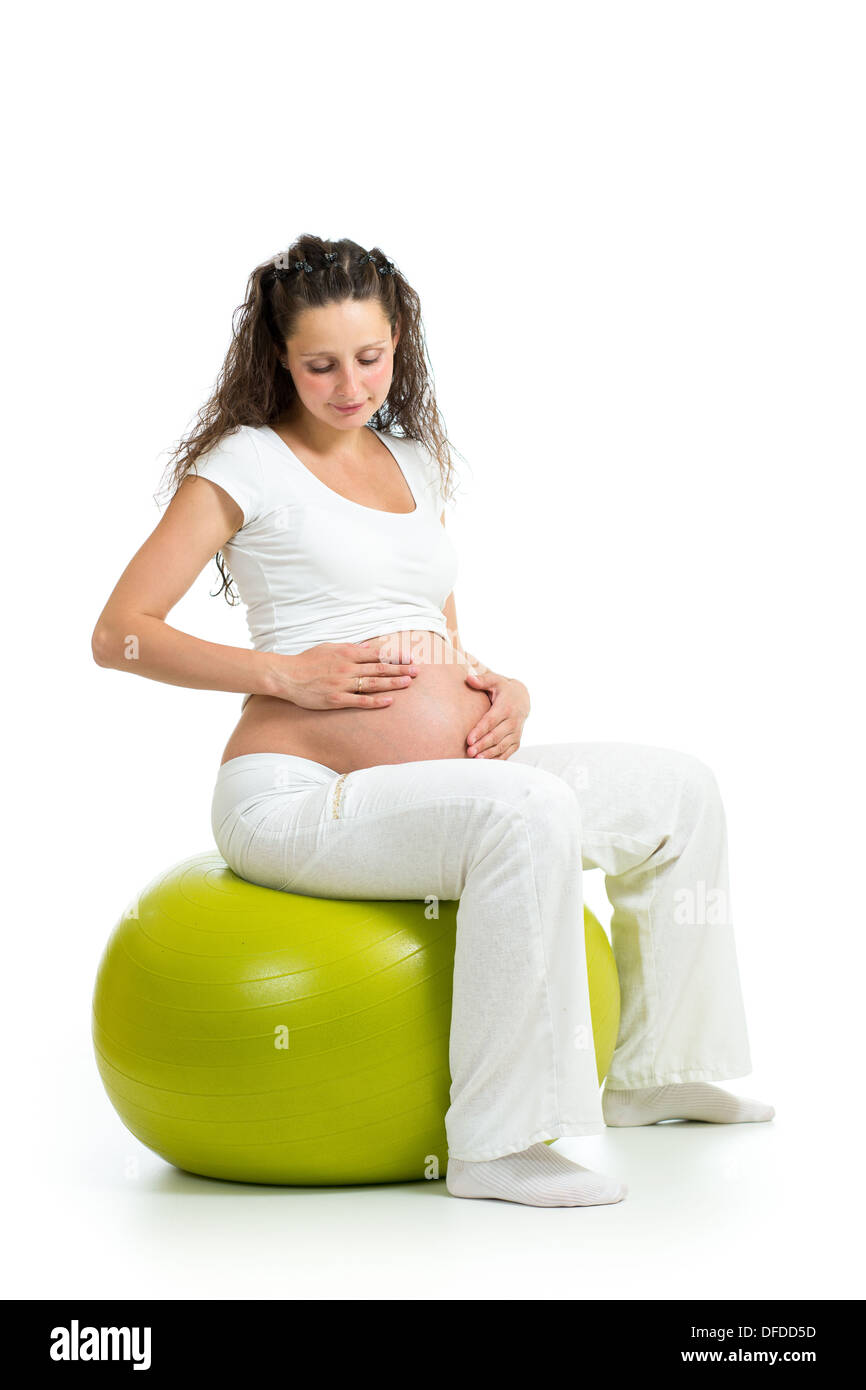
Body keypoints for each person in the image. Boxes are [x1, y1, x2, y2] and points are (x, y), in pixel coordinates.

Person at [91, 235, 774, 1208]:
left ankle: (652, 1070)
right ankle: (495, 1145)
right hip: (295, 797)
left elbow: (435, 635)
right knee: (524, 812)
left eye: (368, 358)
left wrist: (500, 690)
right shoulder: (246, 463)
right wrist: (290, 674)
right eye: (319, 363)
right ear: (278, 357)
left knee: (677, 791)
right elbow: (120, 634)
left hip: (434, 781)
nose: (347, 384)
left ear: (398, 339)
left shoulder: (412, 462)